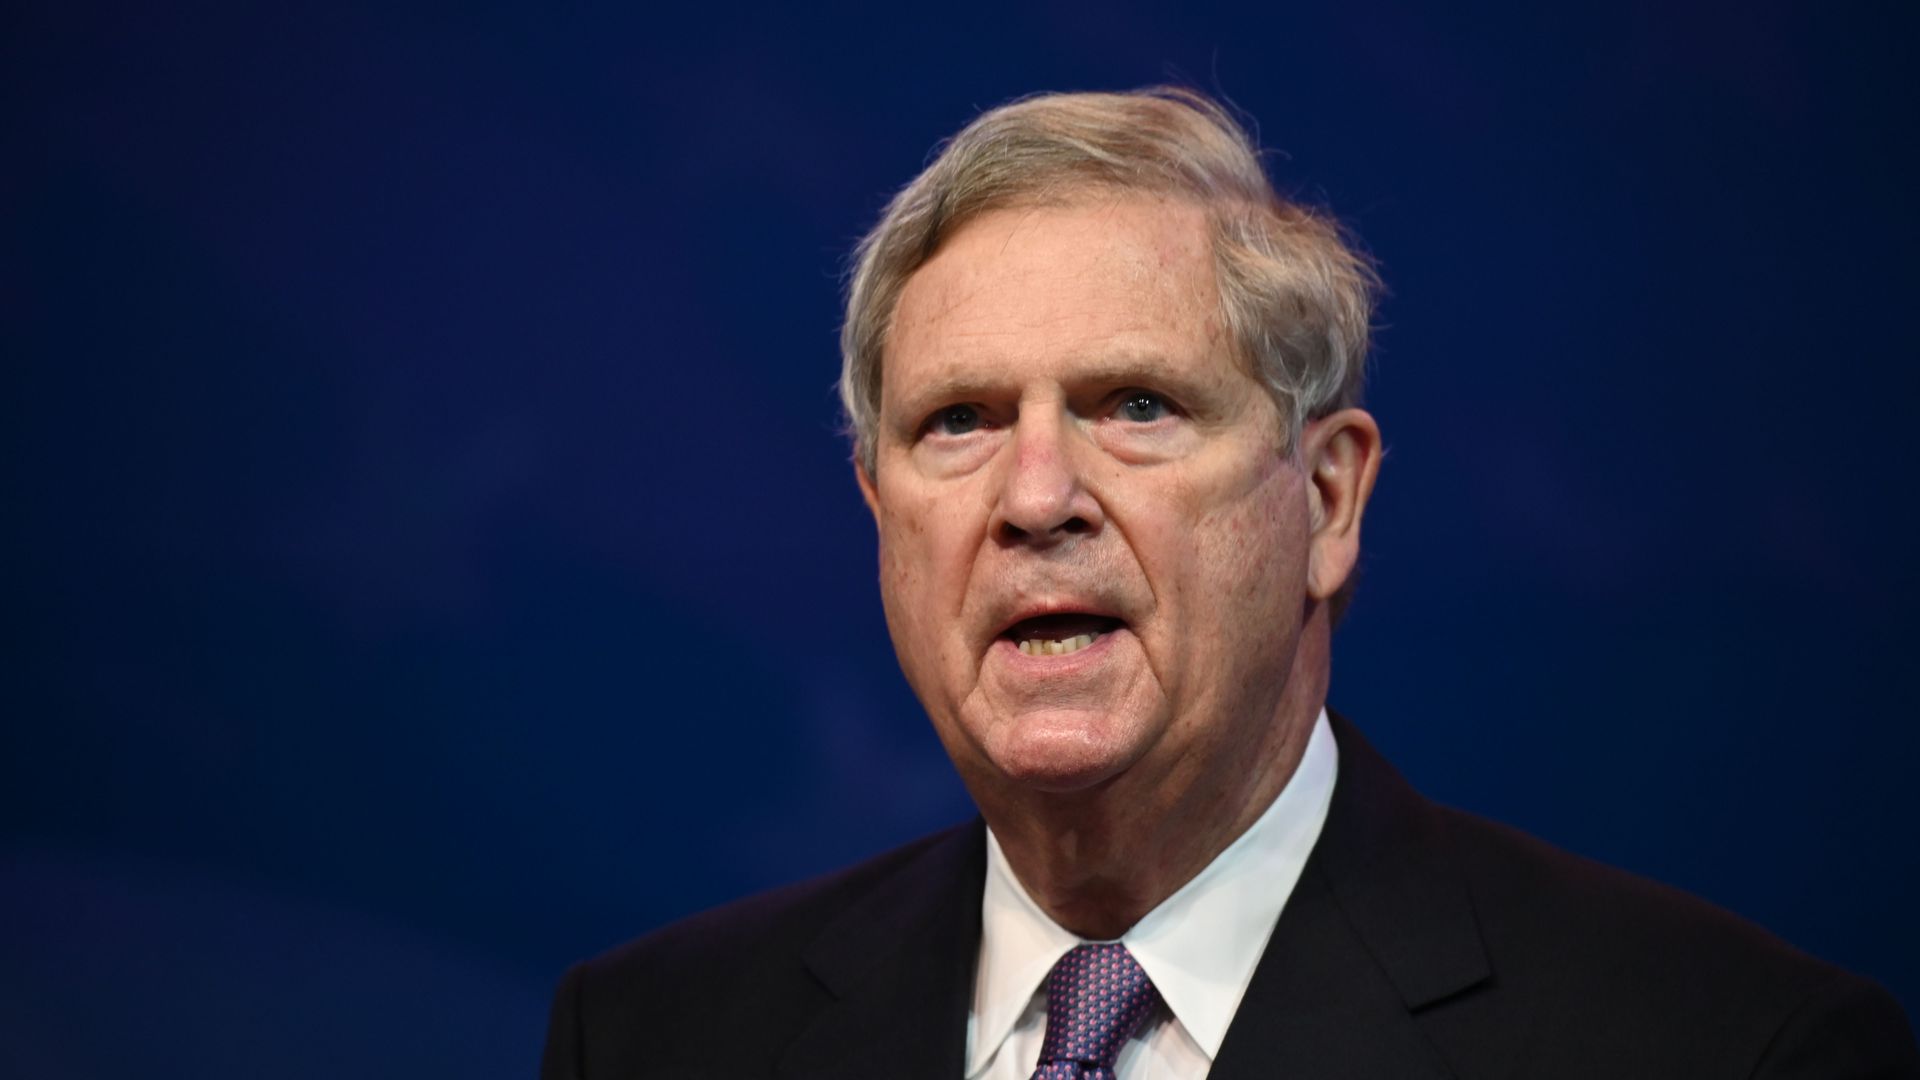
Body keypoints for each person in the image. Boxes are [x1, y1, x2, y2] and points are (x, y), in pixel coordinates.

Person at [539, 87, 1918, 1079]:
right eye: (956, 422)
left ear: (1326, 501)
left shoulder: (1728, 1047)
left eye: (1134, 404)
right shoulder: (657, 1037)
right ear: (882, 515)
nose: (1034, 500)